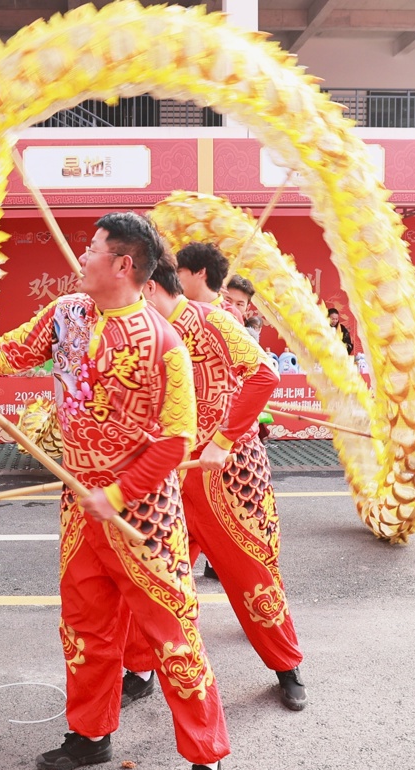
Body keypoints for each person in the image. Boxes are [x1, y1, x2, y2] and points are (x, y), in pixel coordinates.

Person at [0, 212, 229, 770]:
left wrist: (116, 493)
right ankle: (90, 735)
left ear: (123, 264)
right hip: (79, 507)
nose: (82, 257)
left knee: (173, 639)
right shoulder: (67, 313)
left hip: (143, 516)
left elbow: (176, 441)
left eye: (93, 249)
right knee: (85, 628)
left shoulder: (164, 343)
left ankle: (206, 760)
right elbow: (4, 352)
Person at [127, 250, 308, 713]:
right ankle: (141, 669)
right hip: (170, 473)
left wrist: (223, 440)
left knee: (252, 572)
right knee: (155, 576)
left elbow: (264, 375)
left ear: (152, 286)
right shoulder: (141, 331)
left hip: (226, 471)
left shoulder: (214, 321)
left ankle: (286, 666)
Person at [175, 242, 241, 321]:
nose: (175, 277)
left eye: (178, 272)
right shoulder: (174, 303)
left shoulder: (230, 314)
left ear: (200, 272)